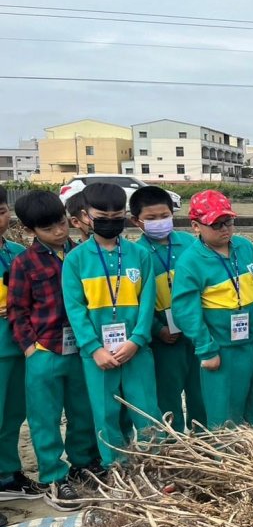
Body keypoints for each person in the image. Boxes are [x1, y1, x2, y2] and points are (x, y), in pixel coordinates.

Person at [7, 190, 99, 512]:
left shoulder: (82, 254)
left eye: (62, 223)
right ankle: (53, 476)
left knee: (83, 409)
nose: (60, 232)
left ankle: (83, 462)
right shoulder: (23, 262)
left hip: (81, 348)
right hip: (45, 350)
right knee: (44, 416)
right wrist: (31, 347)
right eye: (49, 229)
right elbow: (17, 309)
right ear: (31, 231)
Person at [62, 182, 159, 471]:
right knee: (105, 413)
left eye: (117, 215)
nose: (110, 221)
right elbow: (75, 308)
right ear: (86, 216)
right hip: (98, 356)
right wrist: (93, 348)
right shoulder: (76, 260)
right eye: (102, 216)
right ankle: (115, 466)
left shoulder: (139, 255)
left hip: (136, 350)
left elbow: (147, 301)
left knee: (146, 411)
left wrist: (137, 339)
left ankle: (155, 465)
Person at [171, 191, 253, 434]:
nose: (225, 229)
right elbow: (185, 310)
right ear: (196, 226)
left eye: (228, 222)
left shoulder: (244, 247)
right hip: (223, 349)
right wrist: (206, 349)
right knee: (225, 410)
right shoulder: (191, 261)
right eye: (216, 224)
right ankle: (229, 460)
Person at [129, 186, 205, 432]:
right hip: (164, 340)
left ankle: (205, 441)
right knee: (167, 396)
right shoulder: (136, 254)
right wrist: (158, 328)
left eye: (164, 216)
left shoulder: (190, 244)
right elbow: (136, 299)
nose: (159, 222)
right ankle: (174, 444)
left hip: (196, 334)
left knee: (201, 390)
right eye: (151, 219)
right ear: (136, 221)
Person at [0, 188, 37, 523]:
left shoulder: (15, 253)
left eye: (0, 211)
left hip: (14, 345)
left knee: (13, 414)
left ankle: (8, 472)